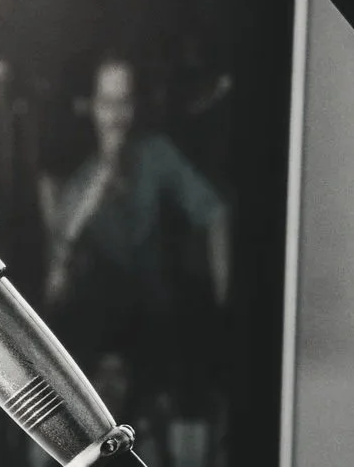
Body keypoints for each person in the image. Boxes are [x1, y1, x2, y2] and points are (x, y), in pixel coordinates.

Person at [41, 57, 231, 342]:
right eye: (107, 104)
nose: (116, 118)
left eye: (125, 104)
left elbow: (215, 212)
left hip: (163, 323)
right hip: (103, 333)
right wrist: (91, 199)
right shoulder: (79, 184)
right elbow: (55, 291)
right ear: (92, 108)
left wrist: (222, 304)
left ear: (135, 108)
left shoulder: (157, 154)